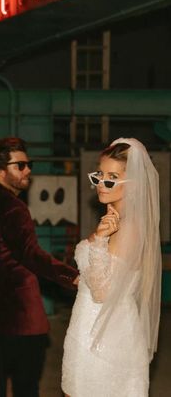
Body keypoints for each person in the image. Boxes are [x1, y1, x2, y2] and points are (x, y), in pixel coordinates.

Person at [0, 137, 78, 397]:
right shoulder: (14, 208)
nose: (28, 170)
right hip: (17, 320)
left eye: (28, 164)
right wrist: (73, 277)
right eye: (19, 165)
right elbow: (30, 255)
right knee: (26, 390)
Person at [62, 138, 162, 397]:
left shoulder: (128, 229)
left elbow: (103, 292)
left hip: (105, 337)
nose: (101, 184)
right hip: (88, 328)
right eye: (99, 175)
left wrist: (98, 241)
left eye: (112, 177)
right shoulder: (114, 220)